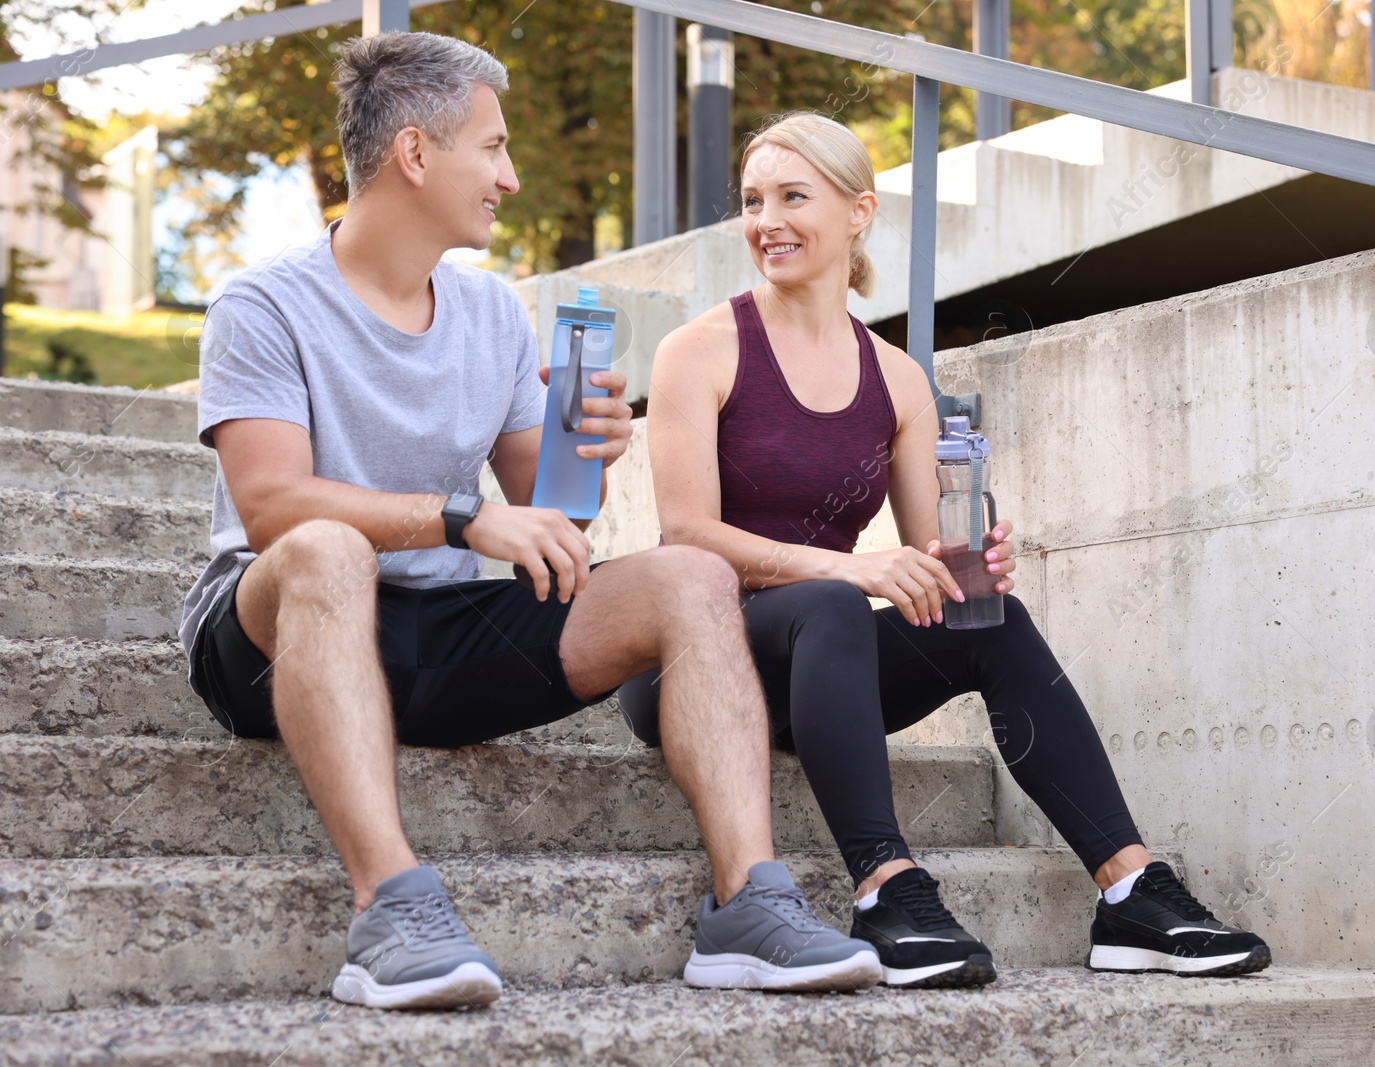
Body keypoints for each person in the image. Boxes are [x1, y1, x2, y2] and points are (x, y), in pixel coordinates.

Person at [178, 39, 880, 1010]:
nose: (509, 176)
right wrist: (462, 518)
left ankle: (748, 902)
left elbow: (551, 514)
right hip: (274, 629)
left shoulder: (493, 312)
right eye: (493, 147)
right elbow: (272, 507)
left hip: (443, 635)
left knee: (692, 575)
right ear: (416, 155)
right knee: (328, 547)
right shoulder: (261, 305)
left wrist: (587, 448)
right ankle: (389, 906)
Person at [620, 112, 1271, 988]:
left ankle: (1130, 894)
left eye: (791, 197)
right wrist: (851, 566)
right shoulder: (699, 350)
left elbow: (931, 552)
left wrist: (972, 566)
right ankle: (887, 888)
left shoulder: (896, 378)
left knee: (990, 620)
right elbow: (688, 538)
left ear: (858, 212)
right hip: (689, 668)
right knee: (832, 599)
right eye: (751, 200)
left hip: (816, 670)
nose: (765, 220)